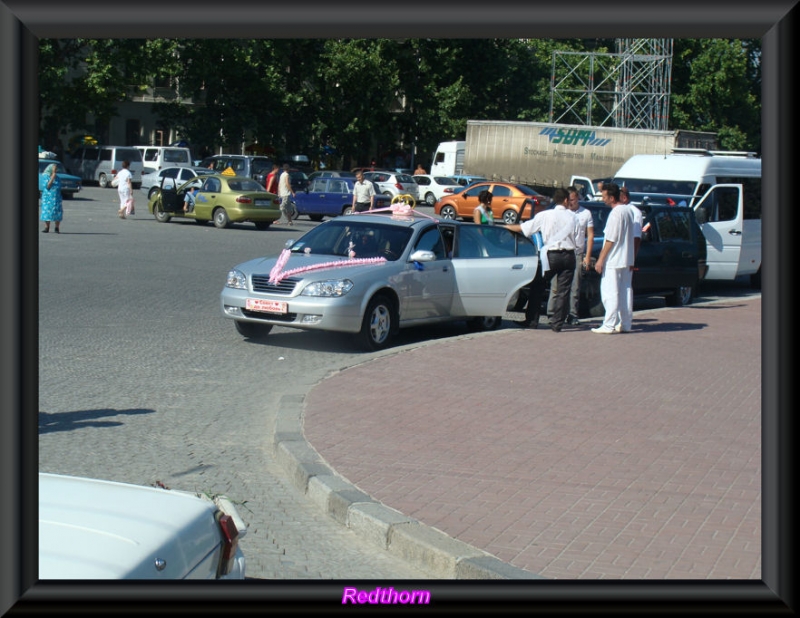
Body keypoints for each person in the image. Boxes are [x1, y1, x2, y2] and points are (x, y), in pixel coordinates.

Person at [505, 188, 580, 332]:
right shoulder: (573, 217)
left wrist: (505, 227)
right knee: (563, 291)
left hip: (551, 256)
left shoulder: (544, 215)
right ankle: (557, 324)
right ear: (565, 200)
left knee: (538, 287)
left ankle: (532, 320)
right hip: (569, 255)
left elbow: (525, 228)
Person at [591, 182, 641, 334]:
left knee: (610, 292)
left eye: (605, 196)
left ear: (612, 198)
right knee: (625, 291)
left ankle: (609, 324)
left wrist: (601, 259)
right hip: (626, 258)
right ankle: (625, 323)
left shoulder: (616, 213)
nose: (603, 199)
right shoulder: (628, 211)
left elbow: (610, 239)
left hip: (614, 259)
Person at [546, 186, 594, 325]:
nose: (571, 203)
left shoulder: (586, 214)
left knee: (575, 286)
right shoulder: (561, 213)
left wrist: (587, 256)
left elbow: (590, 235)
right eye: (569, 200)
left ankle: (572, 314)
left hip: (577, 252)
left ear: (578, 198)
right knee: (556, 285)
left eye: (573, 199)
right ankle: (552, 313)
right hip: (562, 251)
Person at [40, 163, 63, 233]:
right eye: (54, 169)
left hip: (56, 198)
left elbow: (59, 186)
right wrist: (52, 177)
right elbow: (47, 186)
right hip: (48, 198)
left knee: (57, 212)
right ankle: (47, 227)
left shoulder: (58, 178)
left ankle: (57, 227)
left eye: (56, 169)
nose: (55, 171)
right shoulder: (45, 176)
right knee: (47, 212)